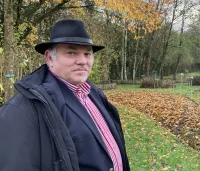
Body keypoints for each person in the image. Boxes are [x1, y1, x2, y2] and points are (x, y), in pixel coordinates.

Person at [0, 19, 130, 171]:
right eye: (71, 52)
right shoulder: (23, 109)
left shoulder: (94, 94)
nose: (82, 61)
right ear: (49, 58)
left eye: (87, 53)